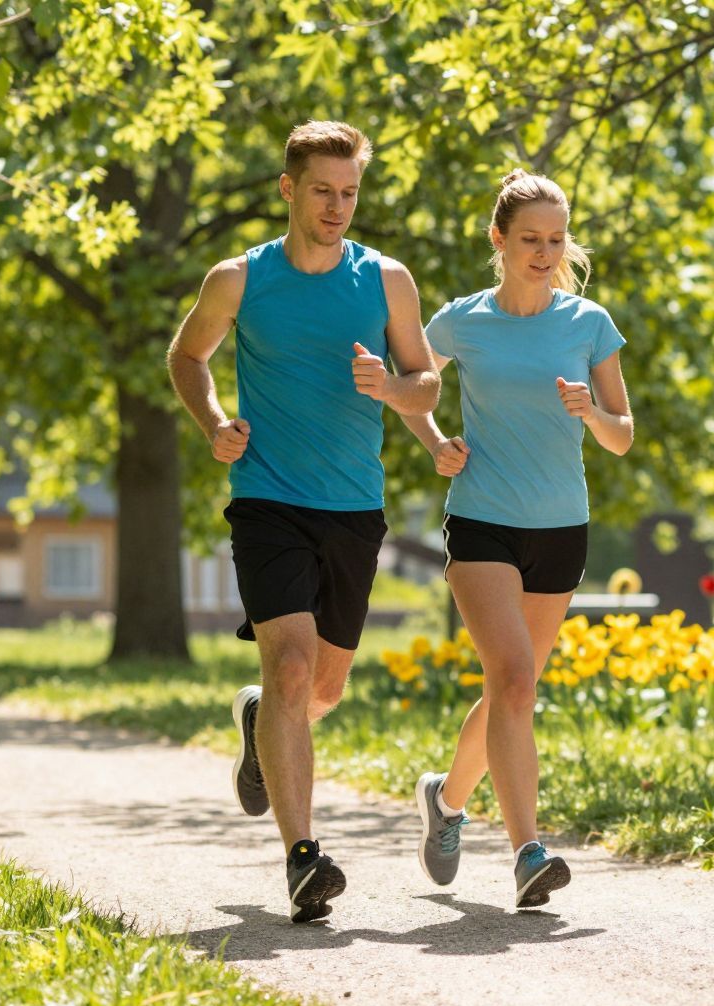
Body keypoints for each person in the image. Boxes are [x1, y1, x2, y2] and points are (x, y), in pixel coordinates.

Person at [168, 121, 439, 923]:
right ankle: (302, 861)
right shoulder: (239, 279)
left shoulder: (386, 279)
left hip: (353, 505)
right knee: (289, 668)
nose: (338, 206)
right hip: (267, 498)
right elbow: (188, 357)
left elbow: (425, 382)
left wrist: (393, 387)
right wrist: (213, 422)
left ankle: (259, 726)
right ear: (289, 189)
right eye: (323, 189)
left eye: (350, 191)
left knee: (321, 687)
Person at [399, 169, 632, 909]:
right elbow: (411, 385)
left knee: (514, 690)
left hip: (561, 524)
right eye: (529, 238)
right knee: (512, 679)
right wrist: (434, 441)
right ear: (499, 239)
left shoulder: (588, 322)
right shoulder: (460, 321)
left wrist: (591, 412)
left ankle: (446, 799)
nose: (544, 251)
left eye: (555, 239)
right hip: (482, 517)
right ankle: (529, 851)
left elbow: (623, 435)